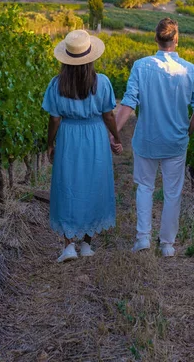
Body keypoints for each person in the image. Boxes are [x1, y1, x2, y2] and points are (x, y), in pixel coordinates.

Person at [113, 18, 194, 257]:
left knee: (144, 187)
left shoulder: (141, 66)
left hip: (146, 140)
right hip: (176, 142)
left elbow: (128, 104)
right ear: (176, 39)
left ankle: (143, 238)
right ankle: (167, 245)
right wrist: (187, 131)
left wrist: (111, 134)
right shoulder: (192, 71)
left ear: (156, 39)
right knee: (172, 193)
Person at [42, 29, 123, 263]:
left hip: (69, 136)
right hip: (95, 135)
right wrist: (115, 138)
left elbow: (54, 118)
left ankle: (69, 246)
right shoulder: (103, 82)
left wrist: (50, 143)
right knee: (93, 184)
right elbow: (108, 115)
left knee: (68, 185)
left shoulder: (57, 84)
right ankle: (87, 244)